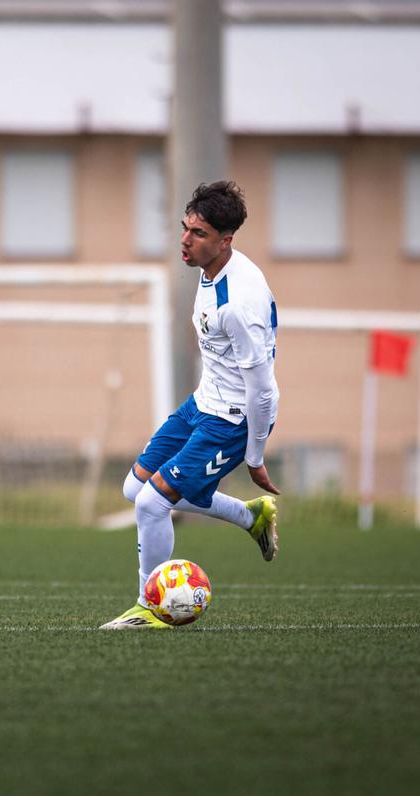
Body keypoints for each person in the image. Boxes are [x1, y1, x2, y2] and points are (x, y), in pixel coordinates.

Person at [101, 181, 279, 630]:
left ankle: (149, 607)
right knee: (133, 489)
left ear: (225, 240)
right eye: (185, 228)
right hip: (203, 403)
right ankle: (249, 516)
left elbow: (264, 391)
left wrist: (254, 457)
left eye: (198, 234)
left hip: (231, 422)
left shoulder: (238, 305)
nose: (185, 240)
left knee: (151, 505)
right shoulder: (211, 268)